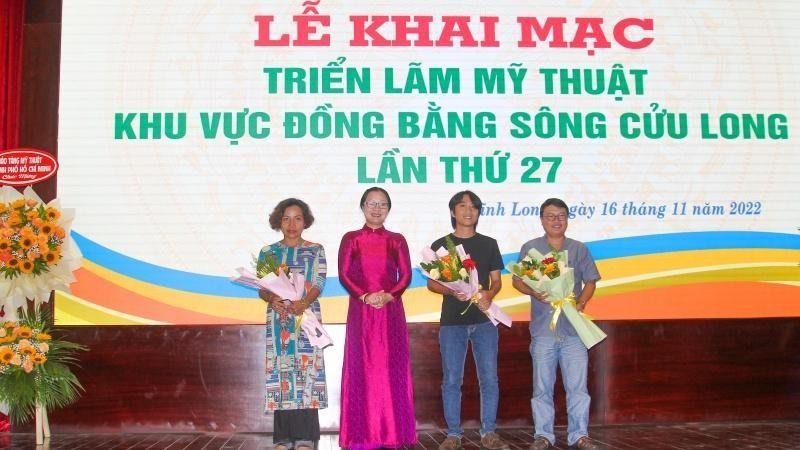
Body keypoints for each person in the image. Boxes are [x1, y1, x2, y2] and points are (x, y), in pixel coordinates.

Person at [511, 198, 601, 450]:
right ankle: (543, 436)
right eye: (550, 216)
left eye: (561, 215)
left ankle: (579, 435)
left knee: (578, 388)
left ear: (567, 219)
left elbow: (591, 281)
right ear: (541, 219)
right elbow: (516, 281)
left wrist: (581, 302)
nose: (556, 220)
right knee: (541, 387)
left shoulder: (579, 249)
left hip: (573, 331)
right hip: (543, 330)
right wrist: (533, 291)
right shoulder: (531, 248)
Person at [427, 191, 510, 450]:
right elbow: (431, 283)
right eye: (462, 206)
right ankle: (453, 434)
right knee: (452, 379)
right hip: (452, 322)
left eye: (473, 206)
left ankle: (489, 433)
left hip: (484, 321)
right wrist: (451, 290)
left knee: (489, 378)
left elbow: (497, 281)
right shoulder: (442, 245)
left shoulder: (489, 243)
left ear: (478, 212)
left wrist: (489, 293)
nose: (468, 210)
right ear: (453, 212)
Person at [338, 187, 416, 449]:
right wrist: (364, 296)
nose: (377, 208)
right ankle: (362, 435)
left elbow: (405, 276)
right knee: (362, 368)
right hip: (361, 312)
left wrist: (388, 296)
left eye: (383, 204)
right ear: (362, 207)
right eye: (372, 203)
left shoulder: (397, 239)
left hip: (390, 310)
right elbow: (345, 274)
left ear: (388, 209)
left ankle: (392, 433)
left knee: (389, 368)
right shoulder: (351, 238)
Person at [257, 198, 327, 450]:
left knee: (307, 373)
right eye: (286, 218)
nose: (292, 224)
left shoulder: (315, 249)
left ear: (305, 221)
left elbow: (319, 282)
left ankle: (307, 437)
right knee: (282, 373)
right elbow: (262, 289)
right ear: (279, 221)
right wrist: (272, 297)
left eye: (297, 218)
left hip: (306, 317)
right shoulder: (268, 252)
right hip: (280, 321)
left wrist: (304, 302)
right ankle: (283, 438)